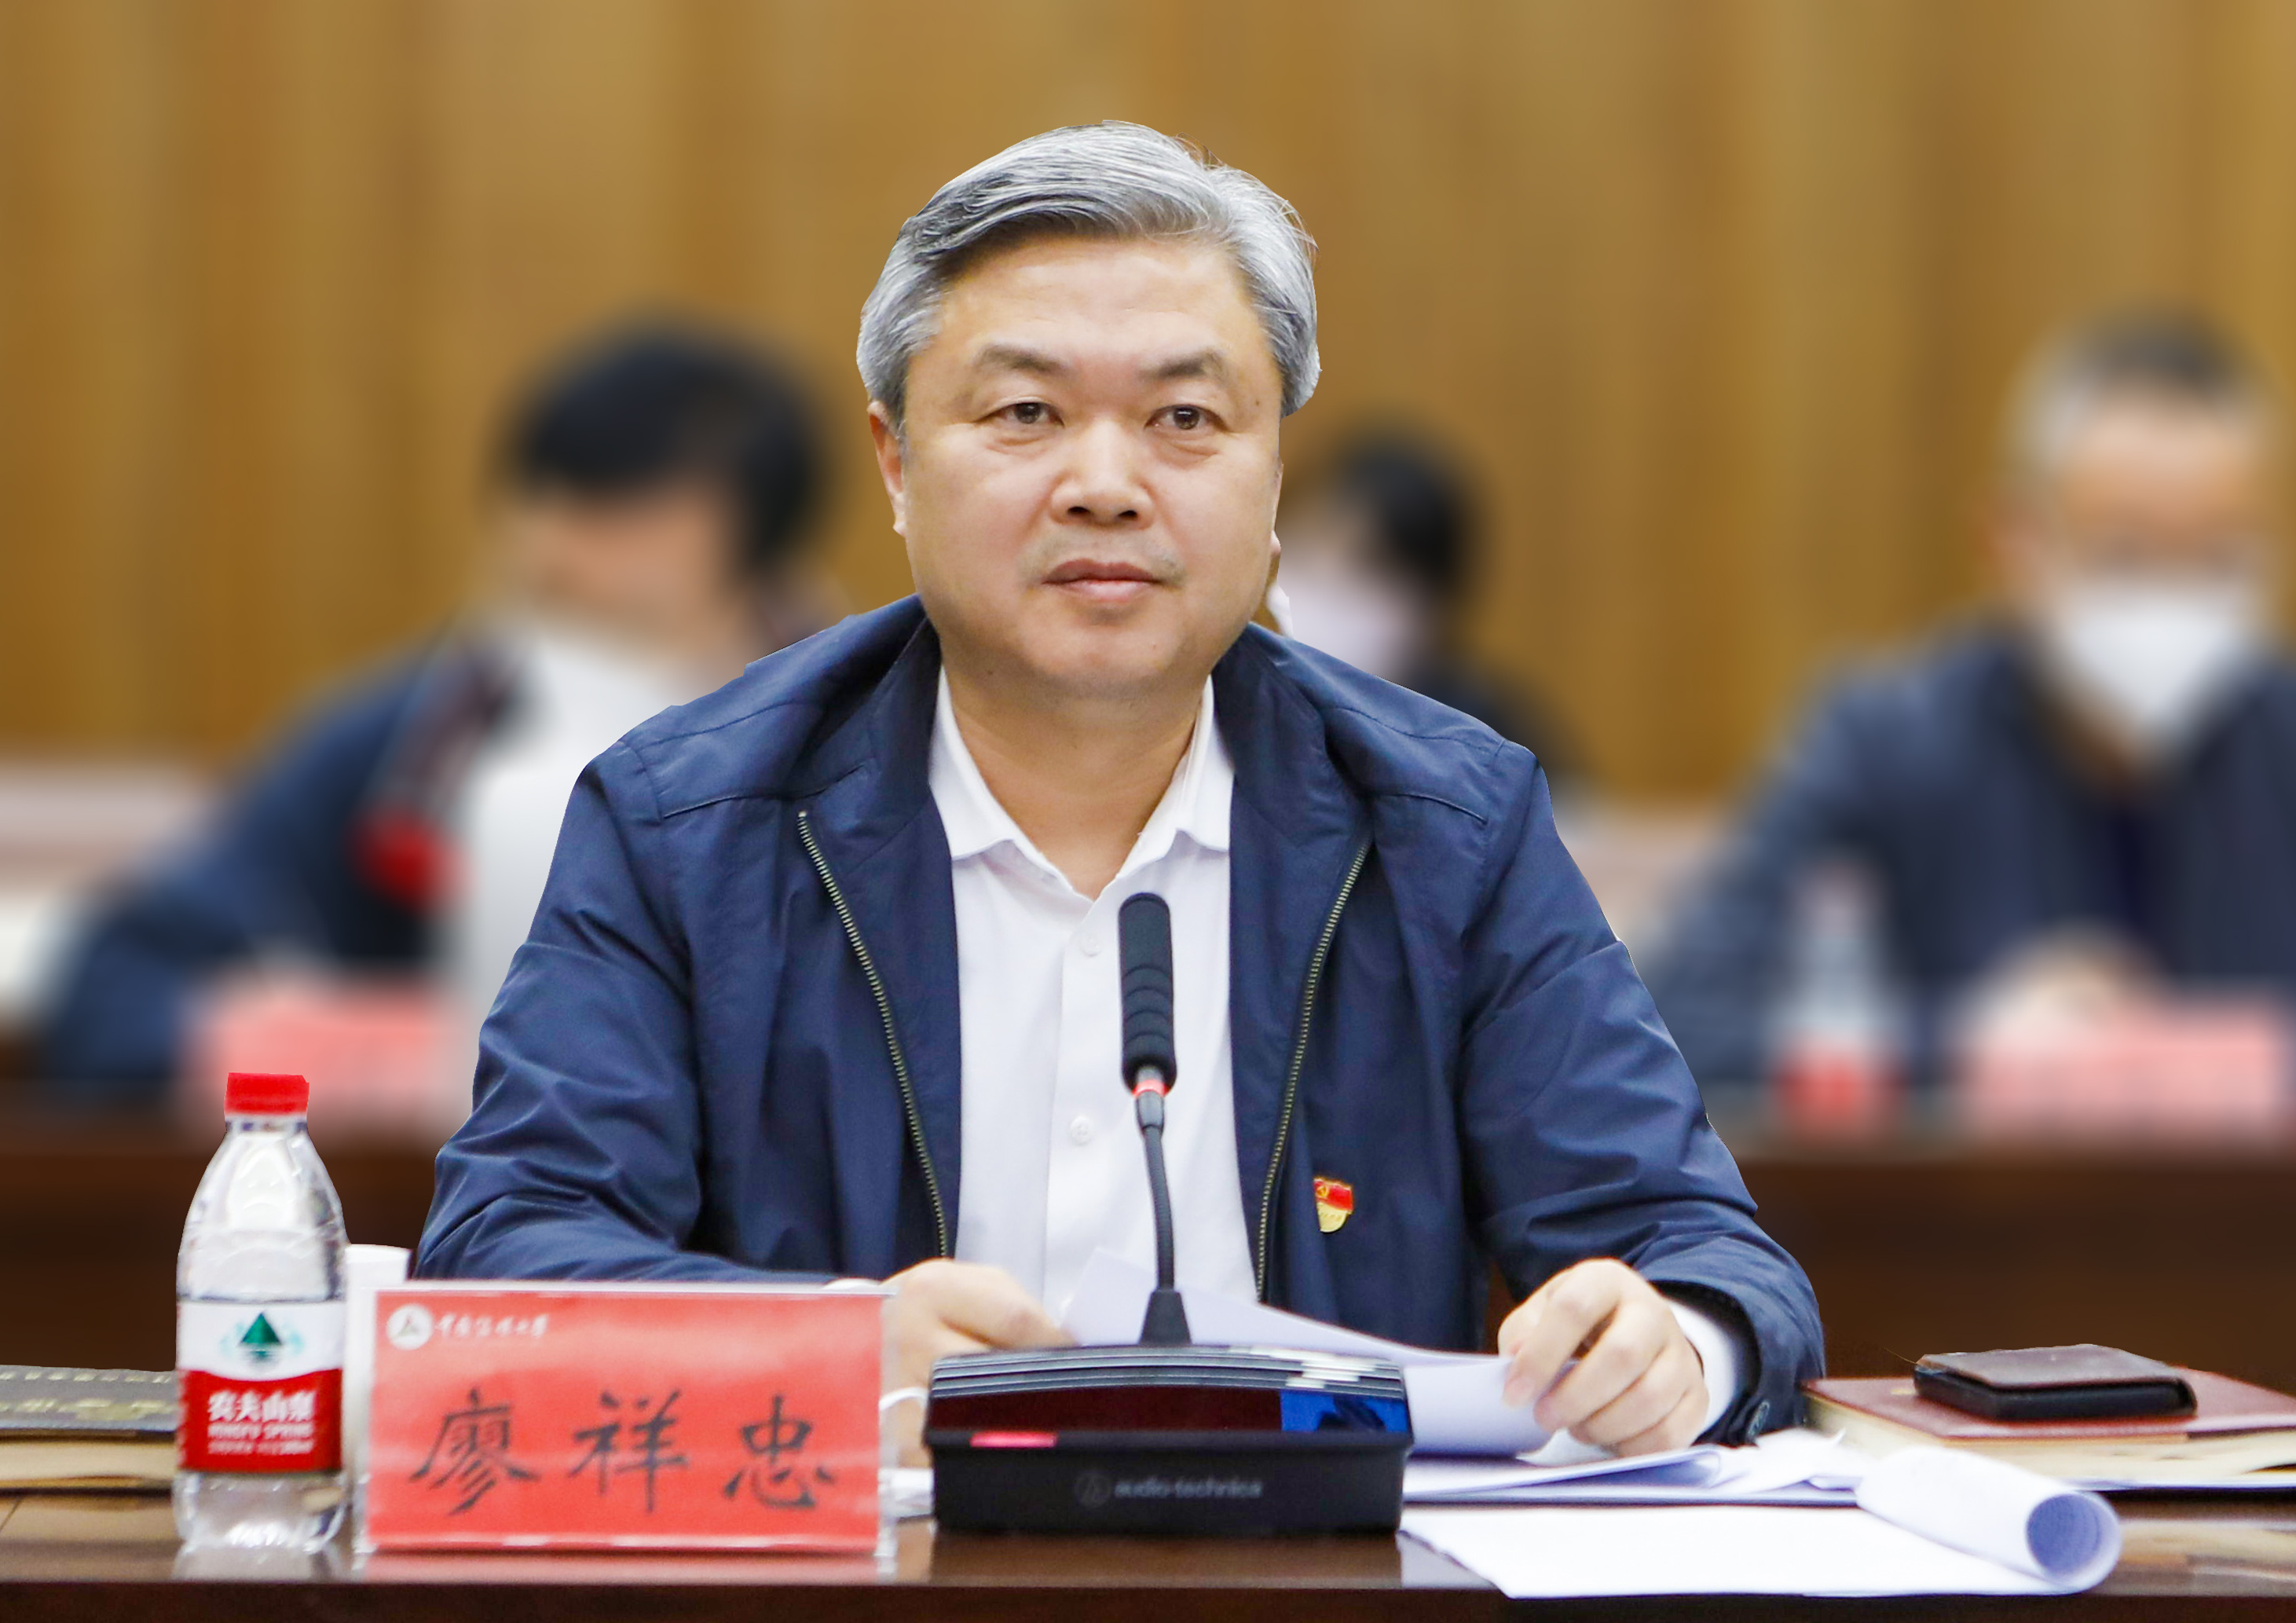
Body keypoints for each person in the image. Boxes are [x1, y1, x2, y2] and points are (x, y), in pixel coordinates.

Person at [419, 123, 1822, 1456]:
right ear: (896, 463)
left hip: (1323, 1576)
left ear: (1273, 476)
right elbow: (504, 1256)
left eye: (1185, 417)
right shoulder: (685, 825)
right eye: (1026, 412)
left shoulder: (1447, 828)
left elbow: (1703, 1256)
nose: (1106, 483)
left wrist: (1675, 1348)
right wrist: (824, 1349)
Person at [38, 324, 824, 1104]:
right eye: (547, 504)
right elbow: (116, 999)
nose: (557, 548)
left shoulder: (850, 734)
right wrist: (393, 1050)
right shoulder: (411, 746)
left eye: (623, 516)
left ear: (745, 541)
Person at [1645, 311, 2294, 1087]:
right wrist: (1964, 1040)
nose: (2172, 598)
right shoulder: (1885, 744)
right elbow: (1679, 1024)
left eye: (2218, 556)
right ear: (2014, 543)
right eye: (2124, 553)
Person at [1274, 430, 1583, 788]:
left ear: (1432, 609)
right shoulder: (1241, 699)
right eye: (1309, 542)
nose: (1327, 578)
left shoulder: (1491, 746)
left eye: (1371, 565)